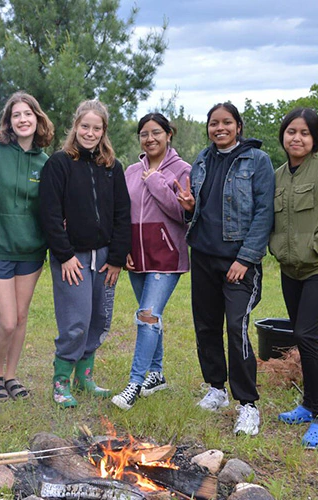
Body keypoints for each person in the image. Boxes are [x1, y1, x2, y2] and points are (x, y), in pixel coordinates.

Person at [177, 103, 274, 436]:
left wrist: (245, 259)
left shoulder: (257, 161)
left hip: (238, 262)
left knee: (237, 326)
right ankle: (216, 388)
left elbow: (264, 213)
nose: (220, 128)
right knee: (205, 325)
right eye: (214, 123)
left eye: (226, 122)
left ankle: (247, 405)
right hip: (203, 255)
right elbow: (198, 210)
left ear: (238, 125)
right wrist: (190, 210)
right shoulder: (201, 161)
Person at [39, 99, 131, 408]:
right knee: (76, 320)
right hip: (72, 258)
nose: (90, 133)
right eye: (85, 126)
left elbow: (122, 213)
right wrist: (64, 255)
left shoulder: (111, 167)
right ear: (75, 127)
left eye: (97, 127)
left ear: (104, 131)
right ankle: (61, 381)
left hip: (104, 257)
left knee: (99, 318)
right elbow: (49, 215)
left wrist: (117, 258)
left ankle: (84, 376)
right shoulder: (59, 163)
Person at [269, 108, 318, 448]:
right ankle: (307, 405)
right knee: (301, 337)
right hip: (290, 268)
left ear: (314, 138)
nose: (296, 138)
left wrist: (317, 245)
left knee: (307, 334)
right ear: (283, 136)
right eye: (291, 132)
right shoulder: (279, 175)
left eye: (304, 132)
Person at [0, 92, 54, 401]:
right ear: (9, 121)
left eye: (28, 114)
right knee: (6, 321)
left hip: (31, 251)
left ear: (38, 120)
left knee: (21, 318)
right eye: (16, 115)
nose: (23, 120)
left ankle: (11, 376)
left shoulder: (45, 162)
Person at [112, 113, 191, 411]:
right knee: (151, 316)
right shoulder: (131, 171)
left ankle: (134, 382)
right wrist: (124, 249)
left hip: (167, 256)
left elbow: (181, 213)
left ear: (169, 134)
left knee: (146, 316)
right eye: (144, 134)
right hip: (137, 257)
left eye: (156, 132)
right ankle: (156, 375)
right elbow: (123, 213)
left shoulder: (183, 170)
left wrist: (157, 181)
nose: (150, 138)